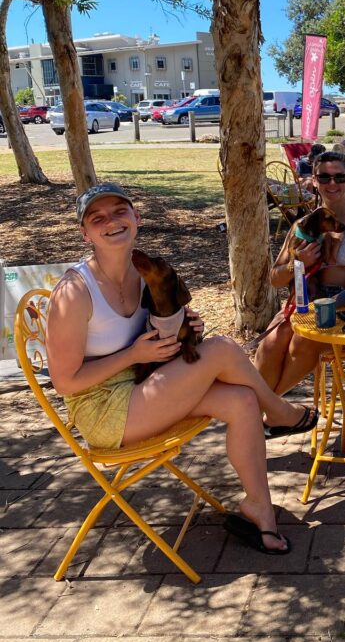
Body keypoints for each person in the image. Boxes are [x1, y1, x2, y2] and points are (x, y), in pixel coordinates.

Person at [46, 182, 318, 556]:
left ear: (137, 218)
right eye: (97, 218)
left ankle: (259, 507)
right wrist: (132, 355)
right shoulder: (75, 291)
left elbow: (155, 331)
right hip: (104, 410)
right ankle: (280, 410)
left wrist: (184, 327)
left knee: (240, 400)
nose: (111, 222)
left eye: (119, 212)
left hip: (141, 387)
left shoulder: (144, 272)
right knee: (222, 350)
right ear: (85, 232)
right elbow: (64, 382)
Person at [255, 150, 345, 396]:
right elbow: (275, 279)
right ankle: (264, 412)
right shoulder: (302, 226)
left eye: (339, 177)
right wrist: (299, 261)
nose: (332, 183)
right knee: (270, 343)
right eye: (324, 178)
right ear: (314, 181)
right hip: (305, 302)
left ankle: (268, 409)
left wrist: (331, 304)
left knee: (303, 341)